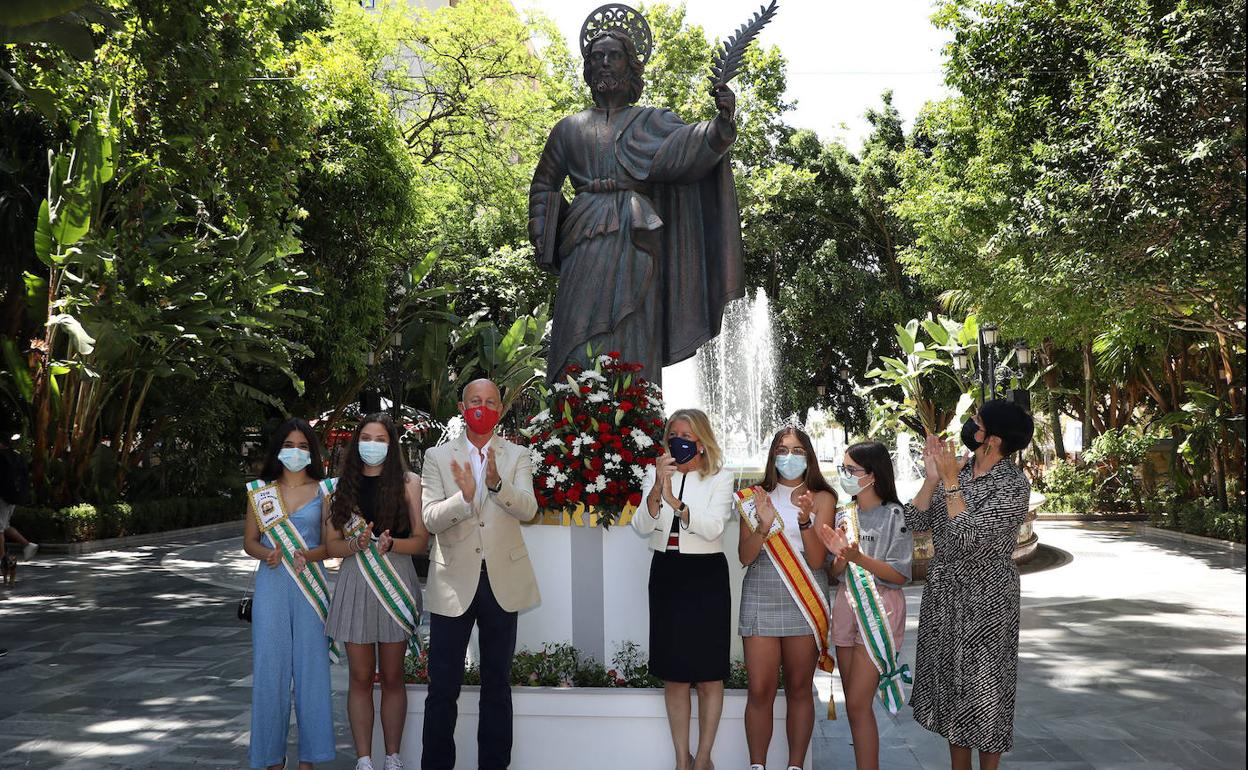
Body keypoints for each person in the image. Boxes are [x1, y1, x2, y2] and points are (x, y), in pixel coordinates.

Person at [528, 12, 745, 384]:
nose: (604, 63)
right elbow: (545, 183)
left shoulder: (652, 122)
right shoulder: (567, 129)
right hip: (582, 236)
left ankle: (633, 423)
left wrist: (721, 124)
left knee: (633, 325)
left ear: (631, 67)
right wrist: (541, 227)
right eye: (597, 57)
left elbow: (688, 148)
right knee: (575, 330)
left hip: (636, 236)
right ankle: (570, 419)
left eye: (613, 56)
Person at [904, 400, 1034, 770]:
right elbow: (914, 521)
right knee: (953, 690)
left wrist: (949, 483)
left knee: (986, 690)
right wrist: (933, 478)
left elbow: (968, 539)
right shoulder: (958, 469)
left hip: (988, 597)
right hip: (945, 593)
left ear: (992, 439)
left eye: (977, 421)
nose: (969, 424)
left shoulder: (1013, 484)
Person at [420, 379, 539, 770]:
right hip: (453, 582)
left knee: (496, 686)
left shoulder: (517, 455)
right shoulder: (437, 457)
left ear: (500, 410)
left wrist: (495, 484)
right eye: (475, 401)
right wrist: (464, 497)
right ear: (461, 406)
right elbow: (431, 518)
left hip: (502, 581)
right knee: (442, 689)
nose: (482, 407)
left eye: (490, 402)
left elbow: (529, 509)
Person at [632, 408, 735, 770]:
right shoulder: (656, 473)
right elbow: (641, 526)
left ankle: (704, 758)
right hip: (667, 574)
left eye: (687, 436)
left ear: (702, 442)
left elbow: (712, 528)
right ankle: (681, 759)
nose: (678, 441)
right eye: (673, 434)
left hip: (706, 576)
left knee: (708, 673)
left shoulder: (722, 477)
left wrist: (677, 502)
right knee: (674, 674)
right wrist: (658, 491)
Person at [324, 413, 429, 770]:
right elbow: (332, 547)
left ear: (392, 443)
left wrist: (392, 544)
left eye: (380, 438)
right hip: (356, 581)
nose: (372, 445)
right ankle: (365, 759)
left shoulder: (409, 482)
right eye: (366, 438)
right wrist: (356, 544)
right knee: (360, 677)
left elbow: (421, 541)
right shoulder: (339, 488)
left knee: (394, 675)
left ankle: (393, 756)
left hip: (395, 580)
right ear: (356, 443)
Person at [736, 427, 837, 770]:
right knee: (760, 689)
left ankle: (795, 766)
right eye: (782, 449)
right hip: (762, 589)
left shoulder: (822, 497)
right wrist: (762, 527)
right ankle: (757, 765)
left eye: (797, 450)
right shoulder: (754, 496)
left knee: (798, 686)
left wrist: (806, 520)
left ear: (808, 455)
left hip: (804, 594)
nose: (789, 457)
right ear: (772, 455)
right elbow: (745, 557)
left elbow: (816, 561)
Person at [243, 418, 337, 770]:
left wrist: (308, 555)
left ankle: (310, 760)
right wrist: (265, 553)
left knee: (312, 672)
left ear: (311, 451)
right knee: (270, 672)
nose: (295, 452)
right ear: (277, 449)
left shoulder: (326, 490)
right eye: (289, 445)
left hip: (310, 586)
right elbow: (248, 541)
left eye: (302, 446)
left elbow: (332, 545)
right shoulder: (261, 492)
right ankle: (270, 758)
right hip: (272, 586)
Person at [819, 441, 913, 770]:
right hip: (846, 607)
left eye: (851, 470)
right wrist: (842, 558)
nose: (844, 475)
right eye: (842, 468)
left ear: (872, 475)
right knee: (854, 706)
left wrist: (859, 557)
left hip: (880, 609)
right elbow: (835, 570)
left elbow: (900, 575)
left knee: (859, 703)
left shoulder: (894, 514)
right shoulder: (847, 515)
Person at [0, 430, 38, 564]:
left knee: (0, 528)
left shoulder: (2, 457)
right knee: (5, 526)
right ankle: (27, 545)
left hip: (3, 497)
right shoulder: (17, 456)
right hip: (13, 496)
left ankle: (3, 560)